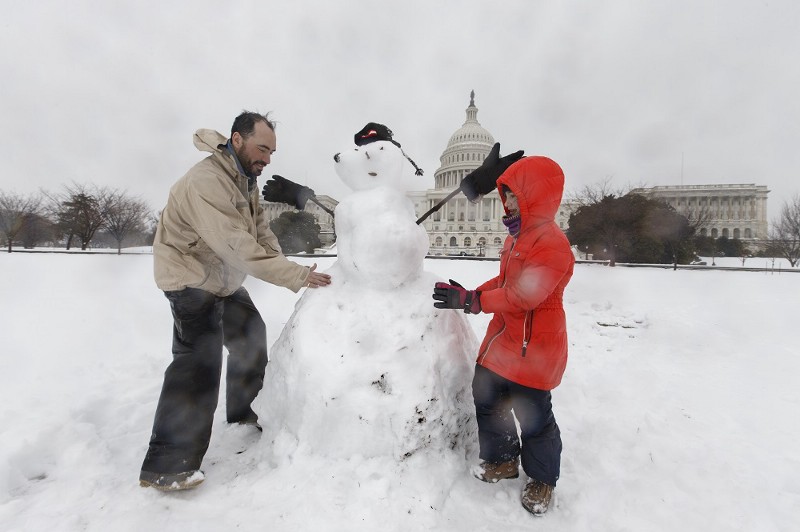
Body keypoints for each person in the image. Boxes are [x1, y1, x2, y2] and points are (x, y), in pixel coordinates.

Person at [139, 111, 332, 491]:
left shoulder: (245, 181)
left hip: (222, 280)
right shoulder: (207, 182)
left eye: (272, 152)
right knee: (198, 360)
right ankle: (168, 465)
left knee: (250, 334)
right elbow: (236, 246)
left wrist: (284, 262)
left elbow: (260, 233)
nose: (268, 159)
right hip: (190, 277)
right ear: (237, 139)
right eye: (262, 149)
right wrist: (295, 276)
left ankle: (245, 411)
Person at [432, 155, 574, 516]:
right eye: (505, 194)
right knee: (489, 399)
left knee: (535, 418)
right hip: (505, 340)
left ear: (535, 196)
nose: (506, 202)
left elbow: (524, 294)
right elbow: (505, 282)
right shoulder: (517, 238)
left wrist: (475, 302)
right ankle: (504, 460)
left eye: (513, 195)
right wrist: (471, 295)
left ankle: (542, 479)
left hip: (536, 345)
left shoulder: (552, 245)